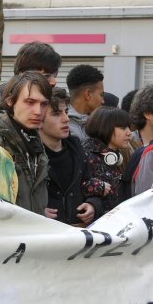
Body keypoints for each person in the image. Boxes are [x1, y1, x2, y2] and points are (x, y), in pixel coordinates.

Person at [0, 71, 52, 214]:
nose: (38, 111)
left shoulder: (33, 139)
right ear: (10, 101)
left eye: (44, 104)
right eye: (30, 102)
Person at [40, 88, 101, 225]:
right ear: (38, 118)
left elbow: (91, 185)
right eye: (56, 114)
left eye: (66, 112)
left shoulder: (77, 148)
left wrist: (92, 206)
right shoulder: (30, 153)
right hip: (43, 237)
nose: (66, 119)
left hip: (78, 235)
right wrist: (35, 211)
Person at [83, 105, 131, 214]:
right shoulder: (87, 155)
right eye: (123, 128)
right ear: (105, 127)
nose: (129, 132)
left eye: (128, 127)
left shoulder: (113, 155)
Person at [64, 64, 104, 142]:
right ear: (88, 94)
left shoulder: (96, 123)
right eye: (101, 95)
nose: (103, 101)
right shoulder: (65, 127)